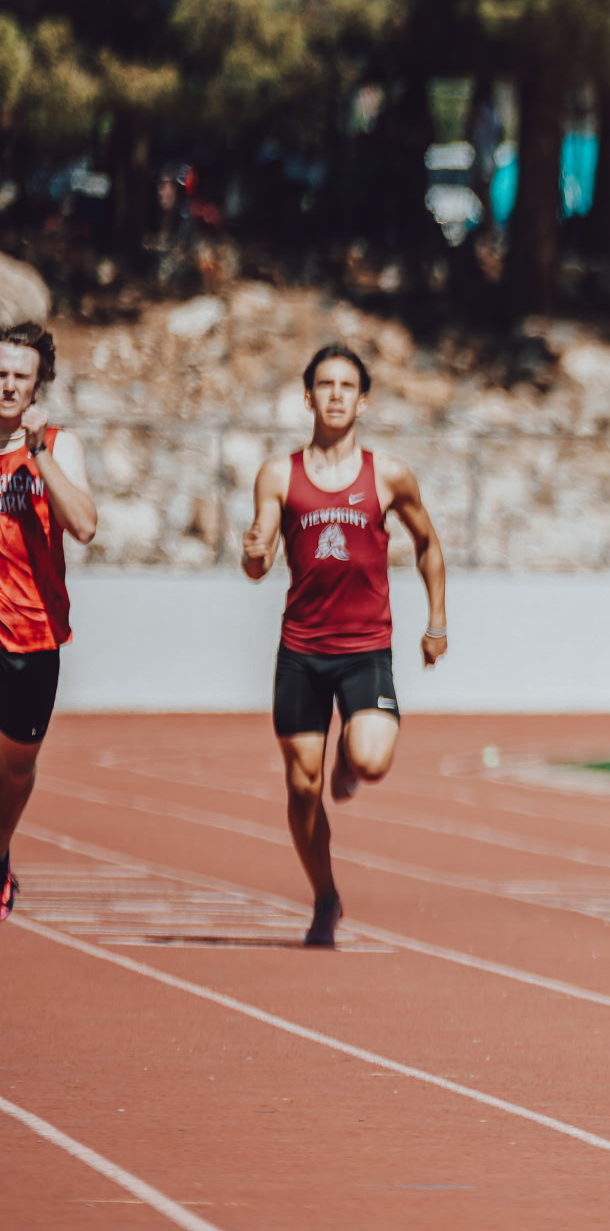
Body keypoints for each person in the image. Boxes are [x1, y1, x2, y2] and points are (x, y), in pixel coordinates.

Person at [242, 343, 447, 947]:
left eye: (346, 386)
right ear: (308, 397)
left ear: (364, 400)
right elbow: (258, 562)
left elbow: (428, 544)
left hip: (365, 650)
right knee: (301, 789)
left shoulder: (388, 475)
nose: (335, 395)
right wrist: (253, 554)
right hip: (302, 651)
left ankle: (350, 759)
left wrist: (435, 623)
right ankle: (325, 897)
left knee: (371, 760)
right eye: (324, 385)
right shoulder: (279, 475)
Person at [0, 323, 96, 926]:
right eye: (0, 372)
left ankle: (0, 851)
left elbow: (84, 525)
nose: (7, 385)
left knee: (15, 767)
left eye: (19, 376)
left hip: (31, 637)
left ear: (37, 386)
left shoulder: (58, 446)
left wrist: (35, 454)